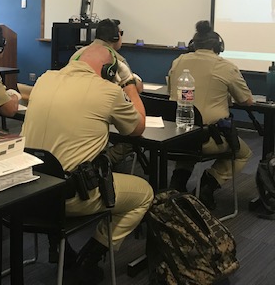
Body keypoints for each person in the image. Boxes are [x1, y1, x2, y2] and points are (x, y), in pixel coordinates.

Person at [21, 44, 153, 284]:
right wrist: (130, 85)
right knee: (145, 193)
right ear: (109, 70)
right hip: (73, 196)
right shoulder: (107, 91)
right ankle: (92, 255)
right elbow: (138, 127)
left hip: (30, 191)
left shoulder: (44, 79)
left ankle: (57, 245)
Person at [167, 20, 253, 210]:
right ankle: (208, 184)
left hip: (175, 136)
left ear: (193, 45)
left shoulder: (178, 61)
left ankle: (178, 182)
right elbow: (246, 101)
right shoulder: (226, 67)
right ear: (218, 47)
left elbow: (170, 92)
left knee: (189, 137)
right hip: (207, 139)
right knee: (243, 153)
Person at [71, 18, 143, 166]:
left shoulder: (78, 55)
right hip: (100, 118)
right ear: (116, 37)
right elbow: (133, 89)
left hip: (75, 115)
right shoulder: (116, 60)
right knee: (131, 138)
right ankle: (105, 162)